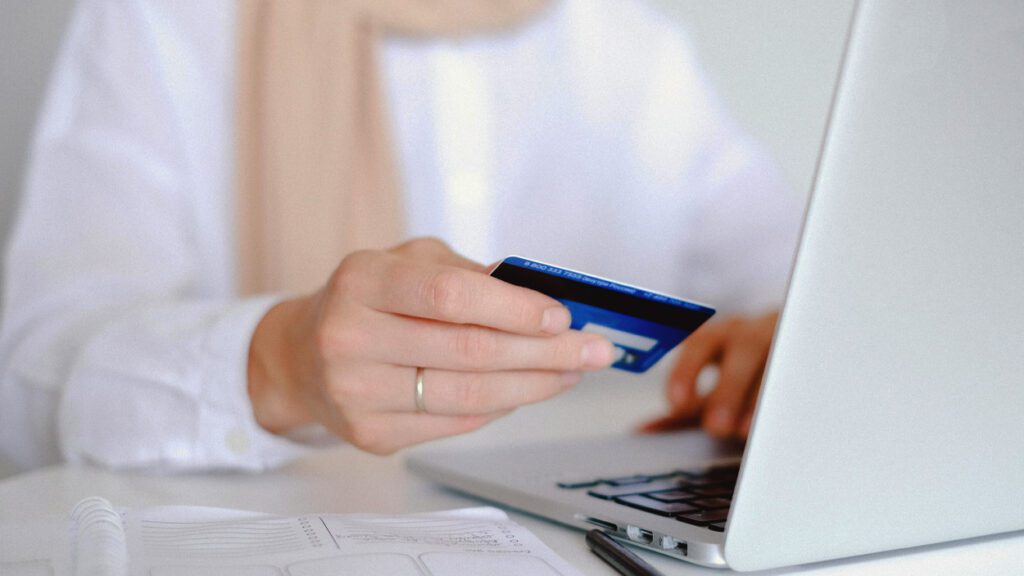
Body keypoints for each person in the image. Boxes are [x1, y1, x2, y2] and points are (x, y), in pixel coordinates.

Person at [0, 0, 801, 473]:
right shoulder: (165, 21)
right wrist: (275, 361)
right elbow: (27, 384)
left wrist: (791, 340)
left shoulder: (627, 35)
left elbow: (792, 271)